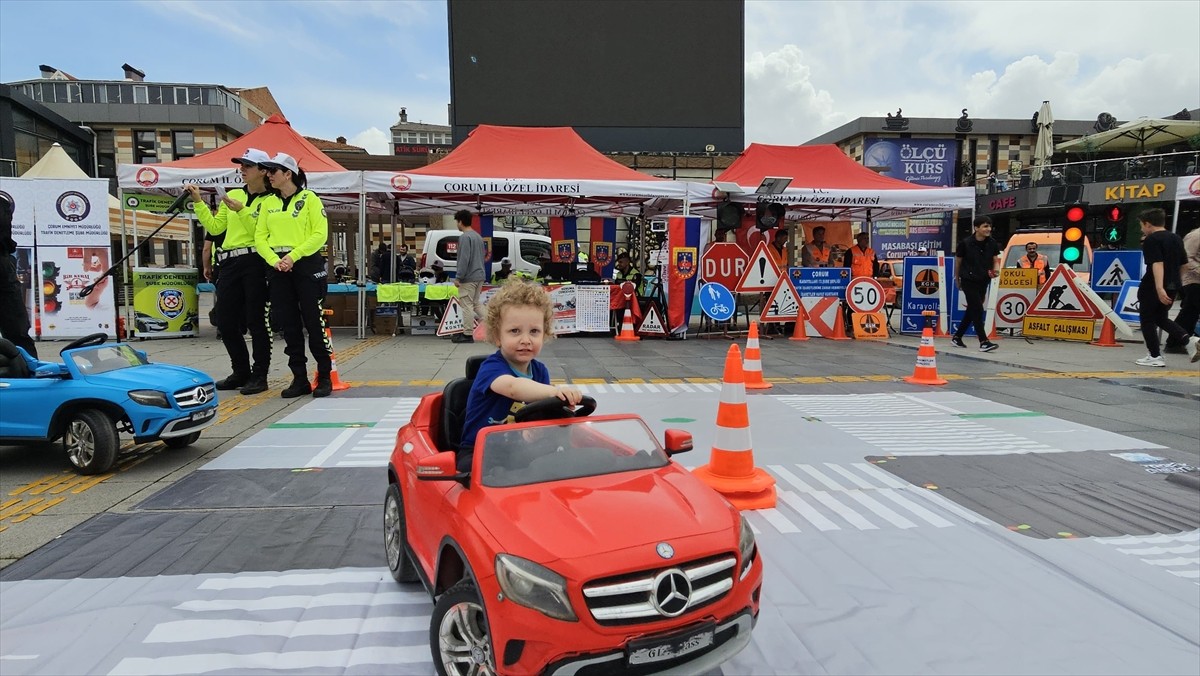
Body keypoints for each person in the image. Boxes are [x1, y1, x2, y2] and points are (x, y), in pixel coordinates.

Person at [457, 281, 583, 472]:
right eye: (515, 331)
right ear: (498, 336)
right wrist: (556, 391)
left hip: (519, 449)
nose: (525, 340)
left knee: (565, 461)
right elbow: (513, 388)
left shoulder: (540, 371)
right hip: (480, 450)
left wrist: (535, 431)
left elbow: (538, 413)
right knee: (498, 474)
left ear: (545, 334)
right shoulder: (491, 368)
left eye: (534, 331)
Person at [186, 148, 275, 395]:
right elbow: (215, 227)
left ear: (263, 171)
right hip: (228, 263)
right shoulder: (234, 194)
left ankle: (260, 375)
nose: (242, 169)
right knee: (225, 321)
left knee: (256, 320)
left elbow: (261, 233)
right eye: (241, 165)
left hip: (255, 261)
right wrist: (198, 203)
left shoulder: (271, 200)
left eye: (247, 165)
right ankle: (240, 370)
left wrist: (242, 210)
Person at [254, 152, 334, 398]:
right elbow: (259, 237)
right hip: (278, 266)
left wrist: (294, 256)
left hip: (305, 264)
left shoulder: (309, 199)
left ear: (288, 174)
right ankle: (299, 378)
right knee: (289, 325)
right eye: (267, 171)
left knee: (313, 321)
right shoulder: (268, 202)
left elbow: (319, 234)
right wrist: (275, 260)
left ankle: (324, 376)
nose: (269, 175)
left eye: (273, 171)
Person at [1133, 209, 1199, 366]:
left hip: (1153, 285)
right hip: (1173, 285)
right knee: (1161, 318)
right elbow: (1185, 264)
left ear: (1147, 224)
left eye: (1142, 225)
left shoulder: (1152, 240)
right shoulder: (1176, 238)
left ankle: (1155, 356)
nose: (1142, 229)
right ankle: (1188, 340)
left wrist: (1159, 288)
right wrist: (1176, 282)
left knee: (1147, 320)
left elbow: (1157, 263)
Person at [952, 215, 1001, 352]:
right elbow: (958, 263)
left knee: (972, 309)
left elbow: (995, 260)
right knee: (978, 309)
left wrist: (996, 271)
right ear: (976, 228)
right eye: (985, 226)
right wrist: (957, 279)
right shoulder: (965, 243)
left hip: (983, 279)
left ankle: (957, 337)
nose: (988, 229)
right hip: (968, 279)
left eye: (989, 226)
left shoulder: (992, 243)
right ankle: (984, 341)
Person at [0, 193, 37, 358]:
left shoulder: (2, 205)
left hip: (3, 266)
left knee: (17, 329)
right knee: (17, 328)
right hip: (4, 265)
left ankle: (29, 369)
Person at [1164, 226, 1200, 355]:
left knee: (1190, 312)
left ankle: (1176, 342)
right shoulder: (1196, 236)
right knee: (1190, 312)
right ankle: (1175, 342)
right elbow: (1186, 258)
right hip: (1192, 280)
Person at [452, 209, 485, 344]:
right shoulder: (478, 236)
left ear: (460, 222)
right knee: (476, 303)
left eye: (457, 222)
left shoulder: (465, 237)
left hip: (469, 277)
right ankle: (497, 325)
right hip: (479, 275)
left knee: (467, 305)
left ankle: (467, 334)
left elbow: (464, 259)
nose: (457, 225)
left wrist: (458, 277)